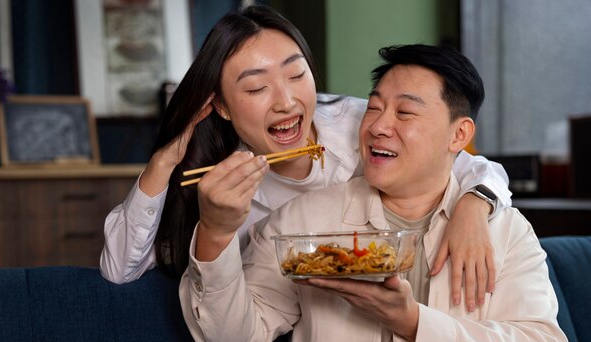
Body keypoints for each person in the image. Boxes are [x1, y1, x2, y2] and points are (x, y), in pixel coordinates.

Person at [179, 44, 569, 342]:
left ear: (459, 135)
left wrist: (414, 324)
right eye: (375, 107)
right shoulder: (303, 226)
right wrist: (215, 232)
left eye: (405, 113)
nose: (379, 126)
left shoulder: (503, 229)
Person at [101, 5, 511, 310]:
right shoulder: (221, 183)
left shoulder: (361, 121)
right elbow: (119, 270)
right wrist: (162, 163)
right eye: (257, 88)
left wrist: (473, 209)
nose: (286, 102)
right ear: (222, 108)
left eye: (297, 75)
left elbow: (469, 163)